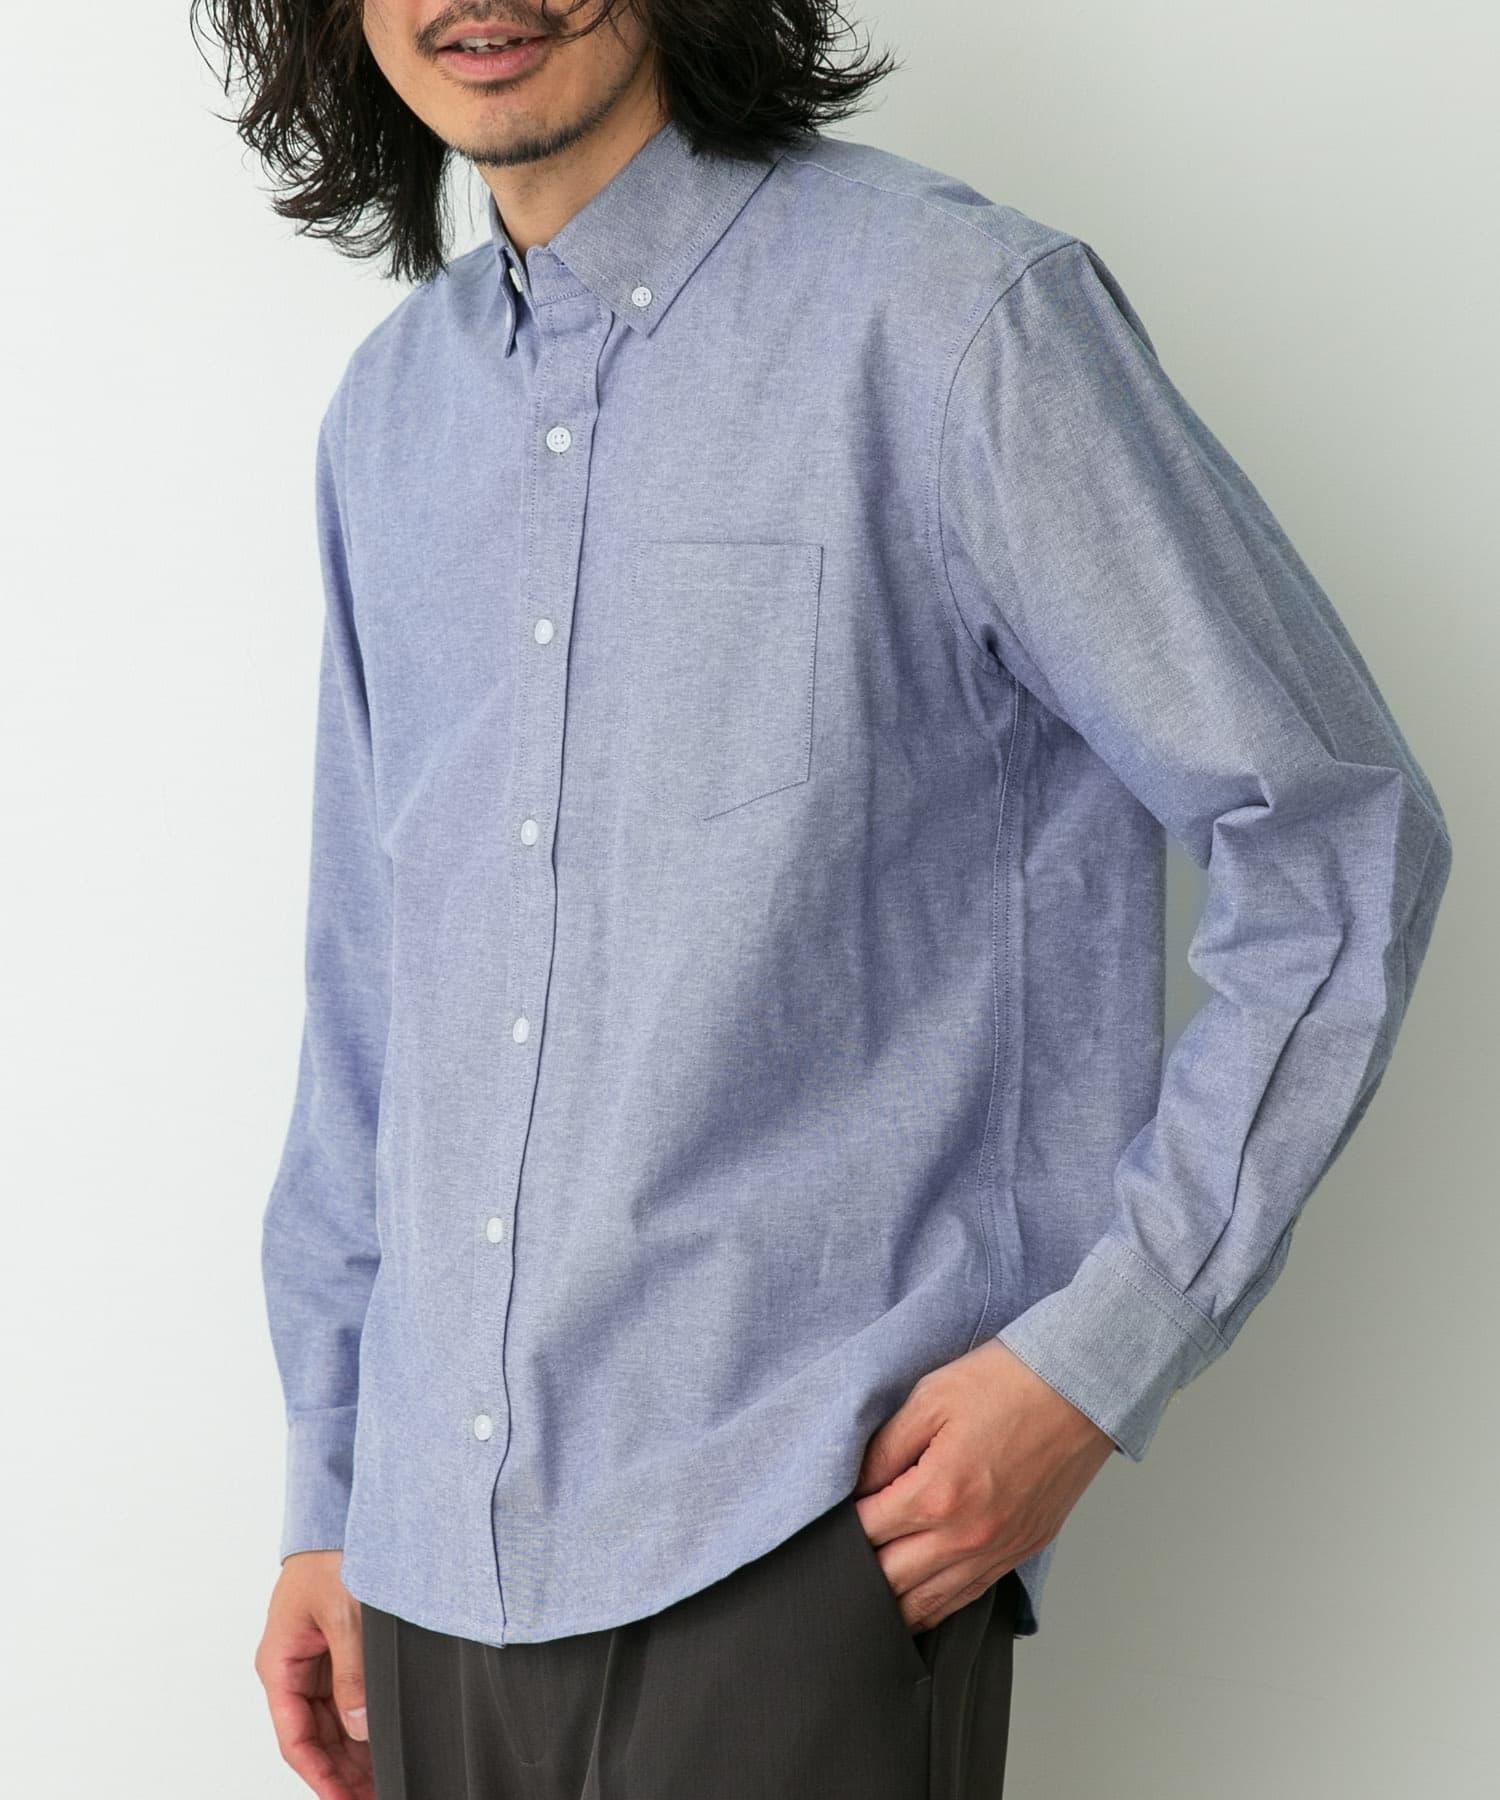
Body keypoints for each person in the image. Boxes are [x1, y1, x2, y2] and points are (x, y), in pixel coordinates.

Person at [197, 1, 1454, 1794]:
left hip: (801, 1538)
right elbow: (372, 992)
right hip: (426, 1573)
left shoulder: (949, 318)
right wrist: (330, 1487)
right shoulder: (390, 418)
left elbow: (1332, 833)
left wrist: (1093, 1359)